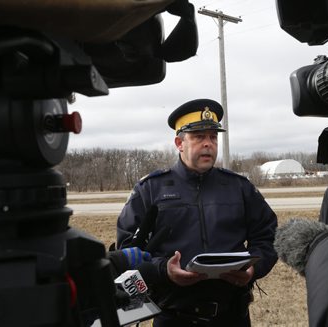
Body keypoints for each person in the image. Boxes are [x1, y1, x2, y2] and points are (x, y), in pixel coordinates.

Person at [116, 98, 278, 326]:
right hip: (174, 316)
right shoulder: (151, 189)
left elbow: (268, 236)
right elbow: (126, 250)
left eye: (213, 137)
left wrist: (253, 269)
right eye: (199, 137)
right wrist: (164, 270)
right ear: (179, 143)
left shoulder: (239, 187)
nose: (208, 144)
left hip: (232, 316)